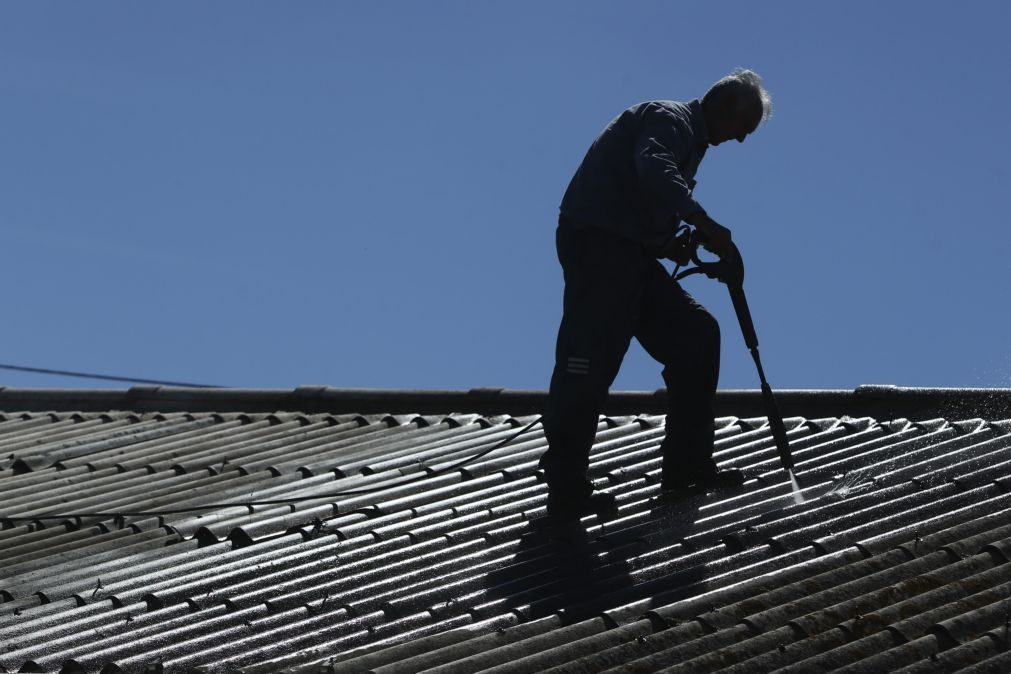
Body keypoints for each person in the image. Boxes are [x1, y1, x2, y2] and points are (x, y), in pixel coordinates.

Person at [541, 68, 773, 520]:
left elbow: (644, 196)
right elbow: (653, 167)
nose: (741, 141)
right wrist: (705, 225)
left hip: (631, 259)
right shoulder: (672, 121)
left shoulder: (691, 140)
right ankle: (565, 485)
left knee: (697, 335)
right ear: (724, 107)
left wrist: (669, 243)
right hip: (600, 254)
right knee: (587, 363)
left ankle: (687, 468)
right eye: (742, 129)